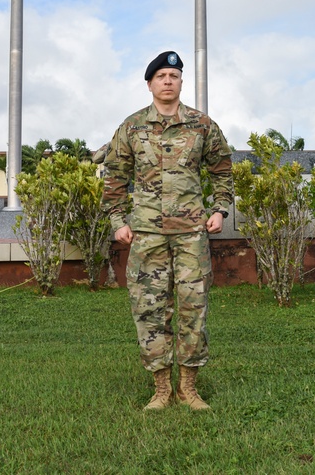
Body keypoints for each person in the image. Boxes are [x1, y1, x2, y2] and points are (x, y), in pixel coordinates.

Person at [101, 51, 233, 411]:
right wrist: (118, 221)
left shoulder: (202, 125)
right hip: (146, 234)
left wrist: (219, 210)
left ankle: (189, 387)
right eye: (161, 76)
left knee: (194, 309)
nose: (168, 81)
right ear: (150, 84)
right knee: (150, 309)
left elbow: (222, 170)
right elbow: (114, 176)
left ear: (180, 82)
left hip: (192, 233)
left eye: (173, 75)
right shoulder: (131, 127)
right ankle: (161, 388)